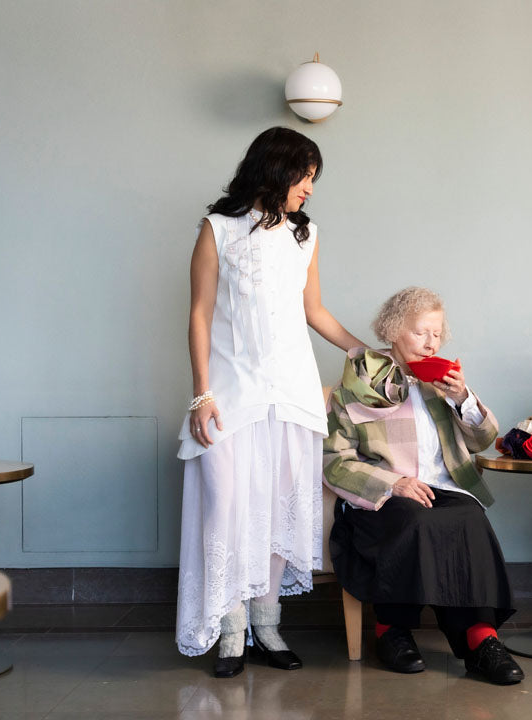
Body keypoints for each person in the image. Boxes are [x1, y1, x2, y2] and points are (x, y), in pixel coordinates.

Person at [175, 127, 364, 678]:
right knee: (227, 508)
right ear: (276, 169)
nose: (309, 189)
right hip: (230, 395)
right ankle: (230, 630)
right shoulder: (218, 229)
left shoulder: (306, 236)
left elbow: (314, 310)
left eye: (313, 179)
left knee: (281, 509)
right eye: (304, 176)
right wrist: (201, 393)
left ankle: (267, 624)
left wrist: (361, 350)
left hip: (293, 394)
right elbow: (199, 314)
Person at [323, 287, 524, 685]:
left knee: (470, 517)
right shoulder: (354, 388)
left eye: (436, 333)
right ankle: (392, 630)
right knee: (414, 519)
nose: (431, 343)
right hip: (382, 496)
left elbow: (484, 440)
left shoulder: (442, 385)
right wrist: (393, 483)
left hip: (444, 489)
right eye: (420, 332)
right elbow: (334, 461)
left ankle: (481, 639)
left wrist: (463, 398)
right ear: (393, 331)